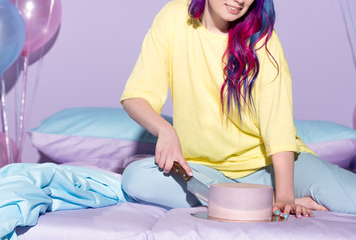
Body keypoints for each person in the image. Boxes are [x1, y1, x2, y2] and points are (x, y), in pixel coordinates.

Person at [120, 0, 356, 219]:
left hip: (269, 168)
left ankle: (243, 198)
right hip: (203, 171)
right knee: (136, 179)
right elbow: (136, 96)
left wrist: (285, 198)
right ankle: (254, 198)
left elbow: (278, 125)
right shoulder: (174, 17)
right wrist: (165, 130)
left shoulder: (262, 38)